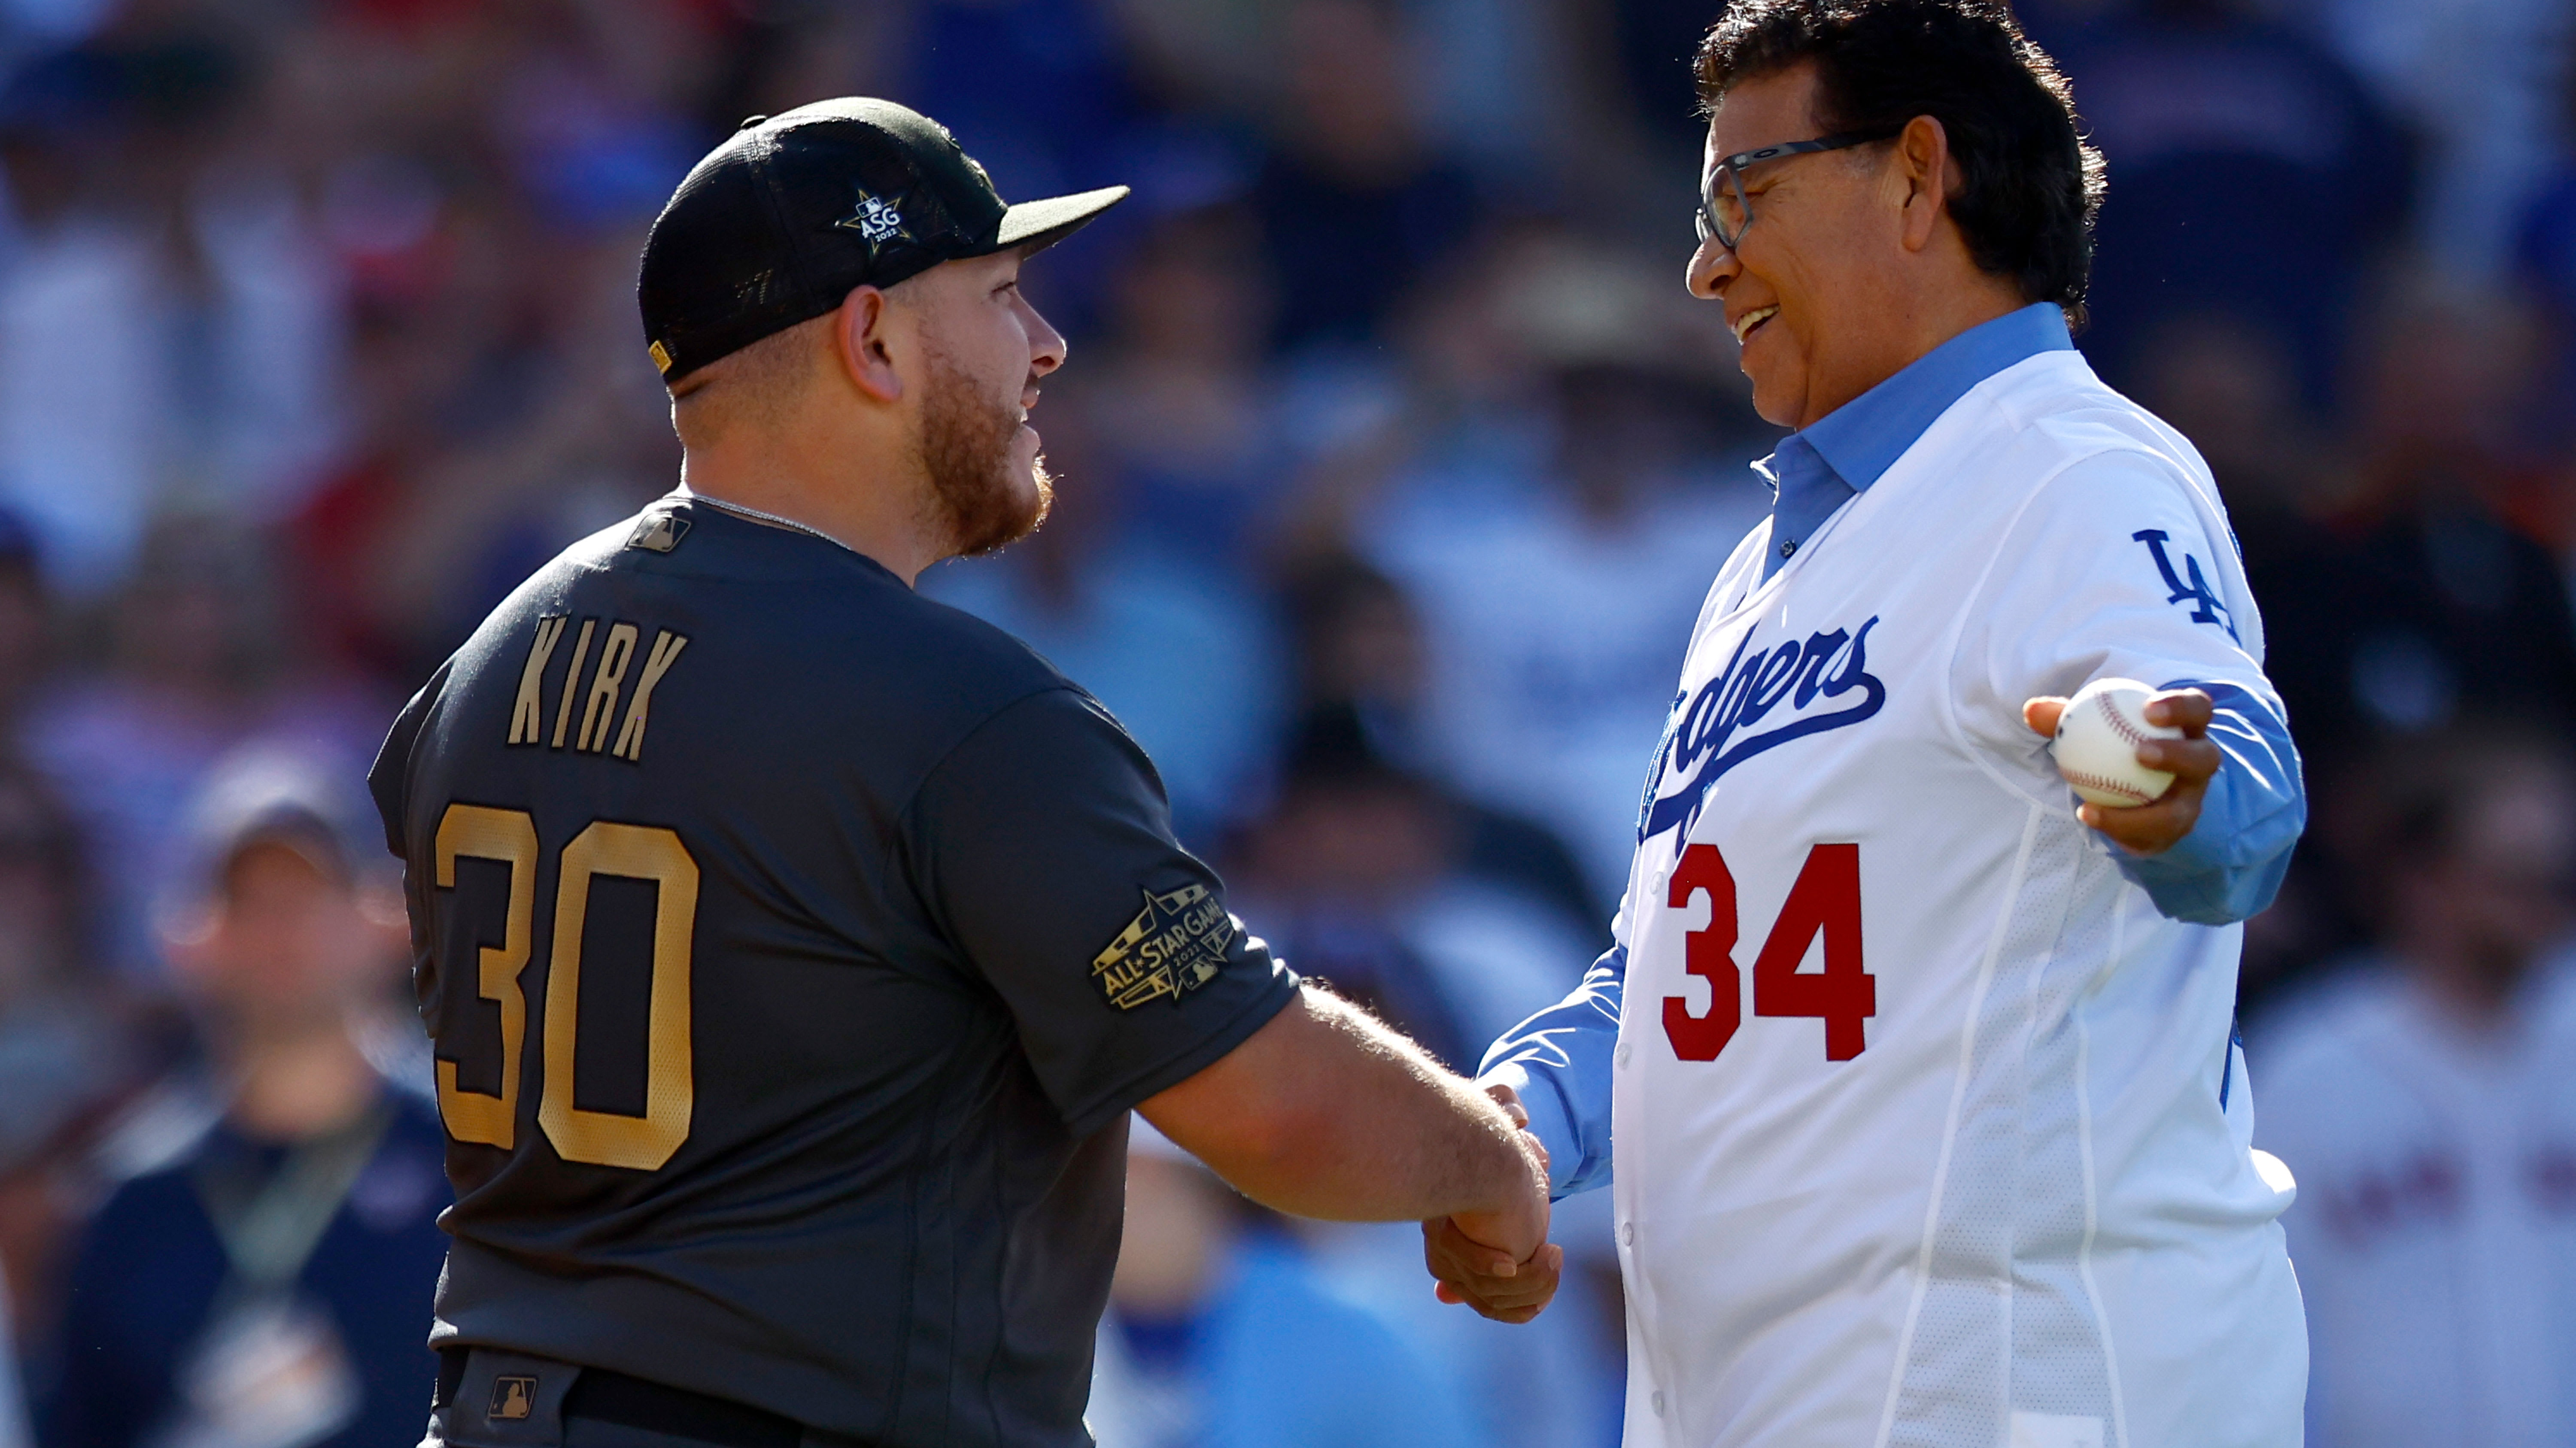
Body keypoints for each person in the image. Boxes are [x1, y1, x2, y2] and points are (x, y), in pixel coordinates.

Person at [370, 99, 1556, 1448]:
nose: (1049, 348)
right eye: (1001, 296)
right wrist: (1488, 1157)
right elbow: (1272, 1104)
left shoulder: (485, 662)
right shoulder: (963, 711)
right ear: (871, 338)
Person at [1431, 3, 2312, 1443]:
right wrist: (1526, 1120)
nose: (1705, 264)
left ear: (1916, 176)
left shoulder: (2072, 468)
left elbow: (2231, 797)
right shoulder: (1764, 565)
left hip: (2034, 1392)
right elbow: (1676, 967)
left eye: (1744, 195)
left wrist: (2165, 776)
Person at [39, 750, 449, 1448]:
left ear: (385, 918)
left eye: (308, 896)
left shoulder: (472, 1165)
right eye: (248, 901)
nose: (280, 930)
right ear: (190, 937)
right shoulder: (126, 1198)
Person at [2250, 729, 2576, 1448]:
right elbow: (2255, 1325)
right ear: (2423, 881)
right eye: (2512, 877)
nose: (2542, 904)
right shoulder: (2304, 1068)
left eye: (2557, 878)